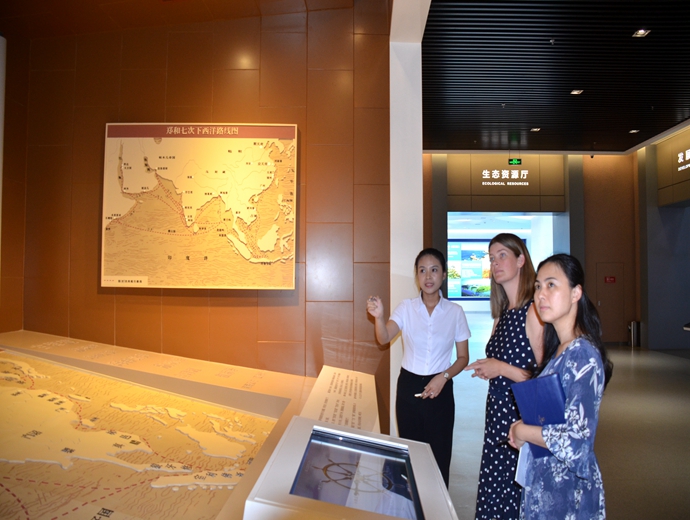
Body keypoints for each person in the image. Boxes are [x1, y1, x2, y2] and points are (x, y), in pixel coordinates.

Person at [508, 254, 613, 519]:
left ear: (576, 293)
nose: (540, 295)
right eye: (538, 286)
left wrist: (524, 431)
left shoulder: (582, 355)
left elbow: (577, 441)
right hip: (546, 486)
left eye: (551, 285)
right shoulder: (559, 351)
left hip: (568, 493)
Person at [366, 247, 470, 487]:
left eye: (434, 270)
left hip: (441, 389)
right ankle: (411, 503)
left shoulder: (455, 312)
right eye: (422, 270)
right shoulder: (406, 308)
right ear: (416, 276)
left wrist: (443, 377)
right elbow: (384, 338)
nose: (428, 276)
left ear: (444, 274)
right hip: (409, 388)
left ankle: (437, 503)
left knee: (439, 456)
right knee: (410, 453)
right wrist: (379, 318)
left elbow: (463, 357)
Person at [465, 233, 544, 520]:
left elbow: (542, 379)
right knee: (495, 487)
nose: (495, 263)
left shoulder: (532, 312)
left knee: (513, 490)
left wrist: (500, 368)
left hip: (520, 416)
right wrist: (488, 367)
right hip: (497, 413)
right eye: (491, 258)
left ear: (521, 260)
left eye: (502, 256)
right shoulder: (502, 313)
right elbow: (502, 363)